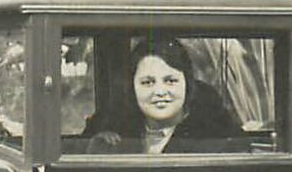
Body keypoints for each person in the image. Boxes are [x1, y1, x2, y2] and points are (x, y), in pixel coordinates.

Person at [82, 36, 245, 154]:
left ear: (187, 84)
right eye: (147, 82)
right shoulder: (115, 128)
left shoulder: (216, 136)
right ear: (132, 87)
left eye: (170, 81)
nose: (159, 92)